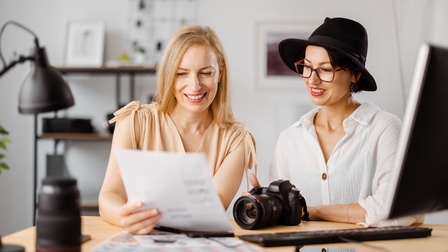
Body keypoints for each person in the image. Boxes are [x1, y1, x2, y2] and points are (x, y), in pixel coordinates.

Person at [249, 17, 423, 227]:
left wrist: (317, 212)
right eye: (307, 66)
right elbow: (285, 216)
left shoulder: (385, 129)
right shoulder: (289, 139)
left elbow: (400, 209)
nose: (312, 79)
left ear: (355, 74)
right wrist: (262, 206)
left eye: (325, 69)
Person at [98, 25, 257, 235]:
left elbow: (210, 211)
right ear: (169, 75)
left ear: (220, 72)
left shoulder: (236, 141)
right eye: (182, 73)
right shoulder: (133, 122)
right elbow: (109, 194)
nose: (194, 86)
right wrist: (125, 216)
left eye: (206, 73)